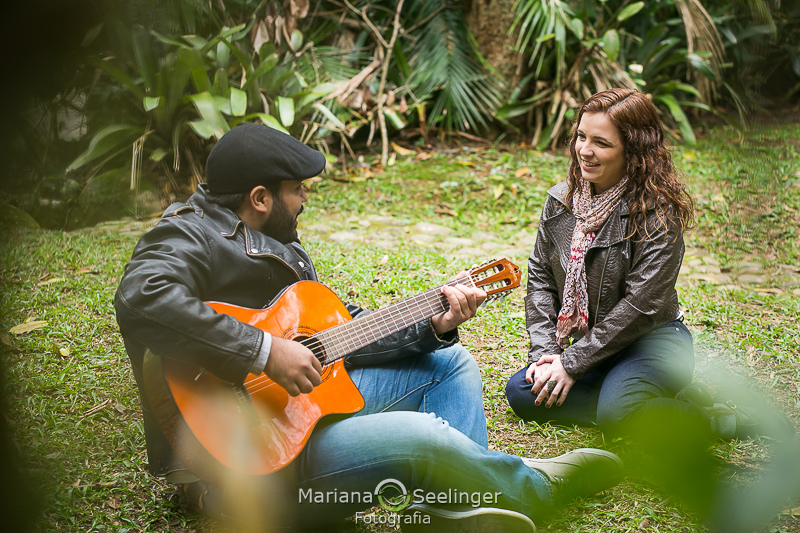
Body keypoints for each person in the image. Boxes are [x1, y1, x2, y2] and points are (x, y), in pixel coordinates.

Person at [115, 123, 623, 532]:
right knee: (425, 436)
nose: (305, 200)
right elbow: (142, 297)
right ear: (260, 197)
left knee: (450, 363)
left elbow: (339, 333)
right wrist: (264, 351)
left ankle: (449, 512)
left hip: (303, 412)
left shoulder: (281, 242)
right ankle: (537, 487)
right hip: (248, 472)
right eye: (297, 190)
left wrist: (435, 321)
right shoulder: (188, 233)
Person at [505, 88, 794, 445]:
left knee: (617, 412)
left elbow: (642, 306)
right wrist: (547, 355)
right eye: (581, 136)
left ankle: (724, 416)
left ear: (634, 150)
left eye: (601, 143)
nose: (585, 150)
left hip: (651, 342)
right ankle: (643, 408)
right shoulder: (562, 201)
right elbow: (540, 278)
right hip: (592, 346)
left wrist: (572, 362)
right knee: (523, 390)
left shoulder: (658, 213)